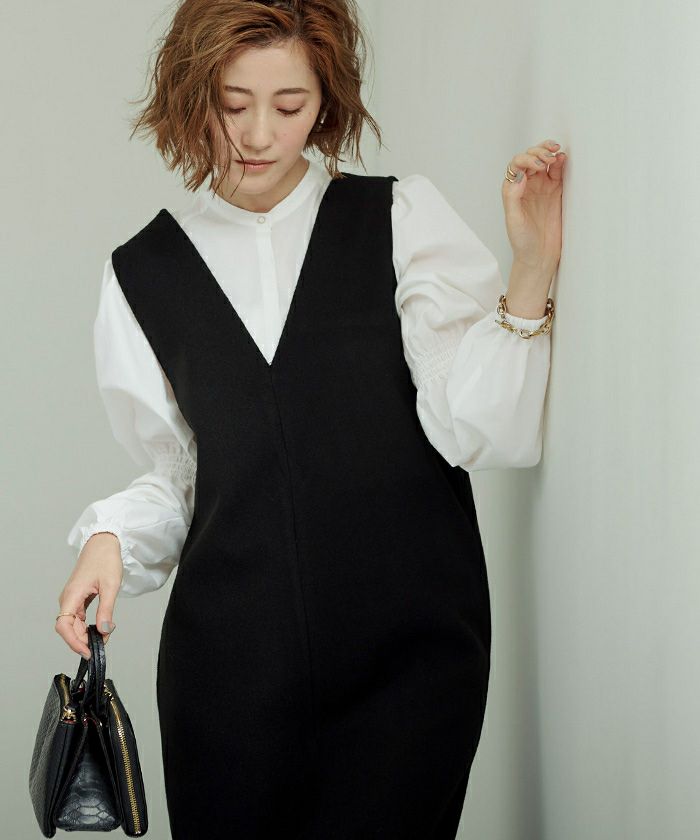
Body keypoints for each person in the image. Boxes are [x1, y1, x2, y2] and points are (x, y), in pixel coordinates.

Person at [56, 0, 565, 837]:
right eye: (233, 104)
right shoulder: (143, 273)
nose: (259, 134)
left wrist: (532, 266)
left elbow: (481, 430)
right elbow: (180, 475)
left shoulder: (398, 220)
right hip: (227, 684)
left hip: (409, 664)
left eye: (289, 105)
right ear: (191, 96)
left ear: (325, 102)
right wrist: (110, 539)